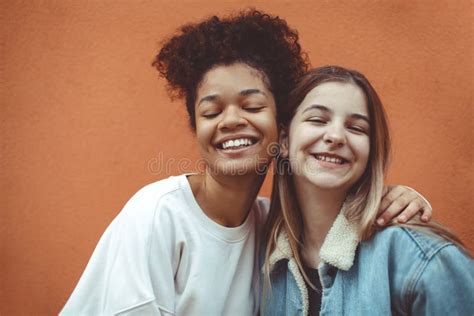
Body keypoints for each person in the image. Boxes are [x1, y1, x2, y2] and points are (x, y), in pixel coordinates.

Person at [61, 11, 432, 315]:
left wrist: (394, 197)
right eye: (211, 111)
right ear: (197, 127)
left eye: (252, 106)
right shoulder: (159, 215)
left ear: (282, 131)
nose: (231, 120)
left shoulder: (272, 229)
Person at [261, 65, 474, 315]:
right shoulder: (264, 254)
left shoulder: (419, 257)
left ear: (370, 151)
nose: (336, 136)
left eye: (356, 128)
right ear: (284, 141)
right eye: (318, 120)